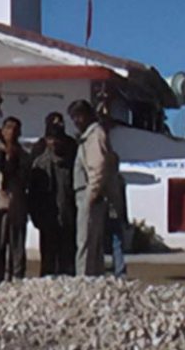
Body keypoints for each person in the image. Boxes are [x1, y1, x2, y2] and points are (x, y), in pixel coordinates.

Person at [68, 99, 118, 277]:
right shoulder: (88, 136)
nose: (76, 121)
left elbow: (98, 167)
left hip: (89, 194)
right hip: (86, 194)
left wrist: (92, 194)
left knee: (86, 242)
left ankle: (84, 279)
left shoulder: (95, 135)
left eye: (79, 116)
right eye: (74, 117)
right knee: (89, 242)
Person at [28, 122, 77, 276]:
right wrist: (37, 218)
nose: (54, 143)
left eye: (57, 139)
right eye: (50, 139)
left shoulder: (72, 164)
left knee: (67, 264)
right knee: (48, 265)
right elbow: (33, 196)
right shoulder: (39, 164)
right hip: (47, 221)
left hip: (68, 221)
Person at [0, 116, 30, 283]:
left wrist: (12, 159)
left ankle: (16, 275)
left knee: (16, 242)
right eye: (7, 128)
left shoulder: (23, 156)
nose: (10, 132)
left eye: (14, 128)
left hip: (15, 203)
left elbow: (22, 178)